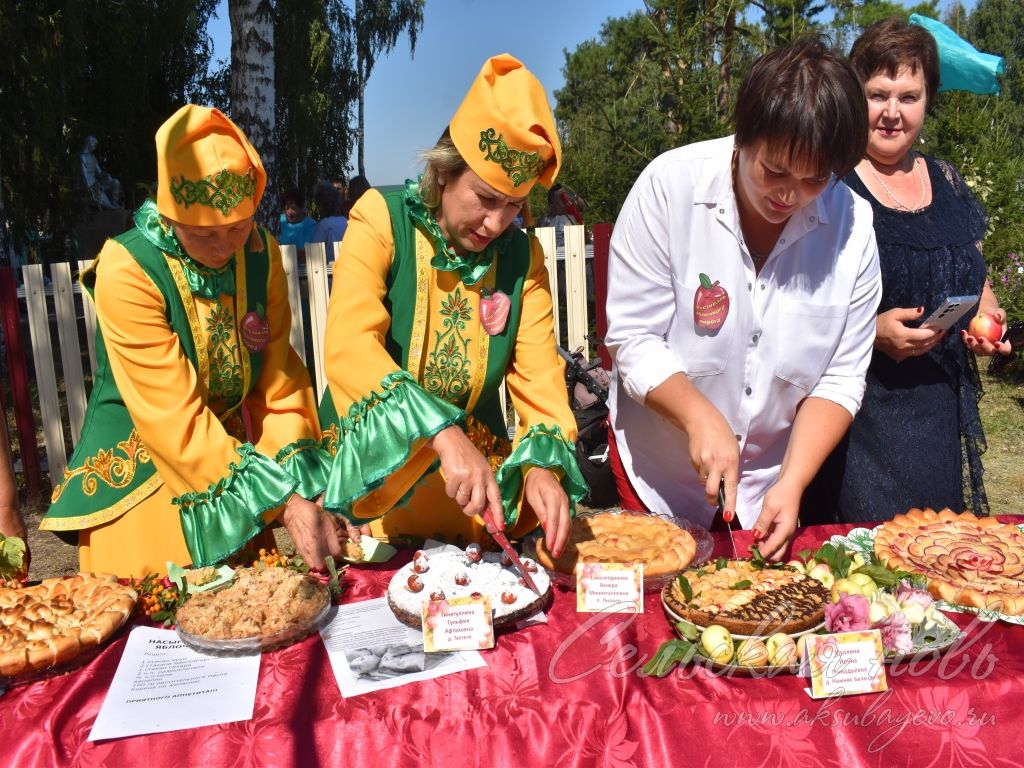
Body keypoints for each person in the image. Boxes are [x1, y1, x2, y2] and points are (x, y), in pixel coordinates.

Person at [604, 36, 882, 561]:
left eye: (813, 179)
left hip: (771, 480)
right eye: (773, 171)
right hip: (658, 470)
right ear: (742, 137)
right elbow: (633, 337)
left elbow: (841, 378)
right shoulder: (669, 188)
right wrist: (699, 416)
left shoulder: (853, 229)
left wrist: (795, 480)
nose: (788, 195)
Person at [42, 105, 338, 577]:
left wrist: (310, 485)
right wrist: (281, 500)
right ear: (169, 214)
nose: (223, 247)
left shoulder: (258, 251)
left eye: (237, 228)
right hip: (143, 484)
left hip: (234, 481)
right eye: (203, 235)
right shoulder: (128, 268)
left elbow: (279, 382)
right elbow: (173, 417)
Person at [318, 54, 587, 557]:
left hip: (469, 503)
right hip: (372, 491)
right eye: (485, 198)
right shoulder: (381, 218)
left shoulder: (521, 256)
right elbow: (350, 347)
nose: (495, 224)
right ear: (444, 173)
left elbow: (539, 378)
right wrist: (441, 433)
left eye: (514, 206)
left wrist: (542, 469)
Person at [802, 19, 1011, 524]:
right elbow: (797, 307)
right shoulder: (831, 186)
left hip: (938, 410)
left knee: (934, 555)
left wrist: (988, 315)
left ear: (928, 100)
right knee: (869, 567)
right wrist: (872, 333)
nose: (893, 112)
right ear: (856, 97)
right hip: (859, 416)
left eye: (909, 96)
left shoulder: (945, 177)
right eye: (878, 94)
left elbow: (969, 266)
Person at [77, 136, 123, 210]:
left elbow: (99, 172)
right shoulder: (82, 156)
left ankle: (114, 203)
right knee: (100, 198)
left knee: (115, 182)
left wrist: (106, 176)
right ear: (89, 143)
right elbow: (84, 174)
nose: (94, 147)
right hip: (88, 184)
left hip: (96, 182)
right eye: (94, 144)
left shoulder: (93, 157)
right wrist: (89, 187)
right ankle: (112, 207)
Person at [311, 180, 347, 262]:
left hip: (329, 271)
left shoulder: (324, 225)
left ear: (321, 204)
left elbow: (314, 254)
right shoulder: (346, 221)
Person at [278, 188, 317, 256]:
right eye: (287, 209)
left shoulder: (310, 225)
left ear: (301, 208)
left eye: (293, 208)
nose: (289, 212)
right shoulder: (280, 221)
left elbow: (307, 251)